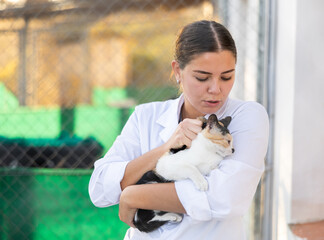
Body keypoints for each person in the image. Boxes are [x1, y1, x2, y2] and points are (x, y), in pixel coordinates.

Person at [88, 20, 269, 240]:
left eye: (226, 77)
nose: (216, 89)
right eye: (202, 77)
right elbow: (99, 188)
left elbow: (226, 198)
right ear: (178, 71)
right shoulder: (146, 116)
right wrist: (164, 149)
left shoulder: (246, 116)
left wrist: (134, 194)